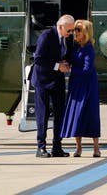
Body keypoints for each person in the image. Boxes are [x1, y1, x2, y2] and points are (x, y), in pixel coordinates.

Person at [30, 14, 74, 158]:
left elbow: (67, 55)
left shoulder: (67, 38)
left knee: (60, 113)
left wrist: (67, 64)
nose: (71, 33)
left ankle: (57, 146)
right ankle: (41, 147)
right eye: (69, 30)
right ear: (60, 27)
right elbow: (38, 59)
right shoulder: (47, 36)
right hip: (43, 80)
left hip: (57, 80)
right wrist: (57, 66)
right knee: (43, 114)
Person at [60, 20, 101, 158]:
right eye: (75, 30)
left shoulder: (88, 48)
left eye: (78, 30)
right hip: (76, 83)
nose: (75, 32)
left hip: (87, 84)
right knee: (77, 115)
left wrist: (71, 70)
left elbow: (87, 69)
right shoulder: (75, 46)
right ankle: (78, 147)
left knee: (90, 114)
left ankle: (96, 147)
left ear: (85, 32)